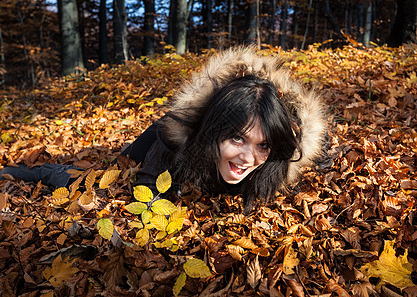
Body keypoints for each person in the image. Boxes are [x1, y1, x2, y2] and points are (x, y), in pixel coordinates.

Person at [0, 47, 327, 214]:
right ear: (213, 131)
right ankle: (27, 171)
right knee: (100, 179)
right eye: (236, 138)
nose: (247, 157)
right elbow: (147, 188)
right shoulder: (177, 141)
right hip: (151, 148)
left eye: (262, 145)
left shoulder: (279, 157)